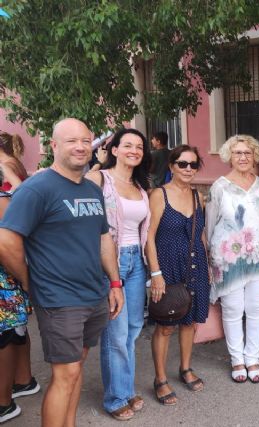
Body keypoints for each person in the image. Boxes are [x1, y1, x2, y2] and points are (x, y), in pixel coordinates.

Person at [0, 118, 124, 427]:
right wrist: (31, 281)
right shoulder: (37, 189)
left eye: (85, 140)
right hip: (59, 299)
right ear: (53, 146)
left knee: (77, 367)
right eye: (71, 141)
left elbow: (103, 238)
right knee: (65, 373)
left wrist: (115, 282)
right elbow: (5, 241)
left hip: (93, 293)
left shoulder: (91, 190)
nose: (80, 146)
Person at [84, 128, 151, 420]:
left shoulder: (140, 186)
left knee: (133, 328)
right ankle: (115, 397)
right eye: (127, 145)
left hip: (136, 261)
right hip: (111, 260)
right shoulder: (99, 178)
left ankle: (125, 387)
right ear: (114, 149)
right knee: (116, 332)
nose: (134, 150)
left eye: (139, 146)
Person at [147, 145, 210, 405]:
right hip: (169, 266)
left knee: (190, 321)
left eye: (193, 165)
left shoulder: (198, 196)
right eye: (182, 164)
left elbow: (201, 234)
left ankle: (185, 368)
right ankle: (160, 379)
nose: (187, 169)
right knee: (166, 325)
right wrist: (156, 274)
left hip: (196, 265)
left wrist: (208, 265)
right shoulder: (159, 194)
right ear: (172, 166)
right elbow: (148, 237)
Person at [206, 135, 259, 384]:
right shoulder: (219, 186)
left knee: (257, 307)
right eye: (237, 153)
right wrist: (211, 260)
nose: (243, 157)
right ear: (229, 157)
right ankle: (237, 360)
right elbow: (210, 225)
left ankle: (253, 358)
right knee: (233, 309)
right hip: (228, 258)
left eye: (247, 153)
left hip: (258, 256)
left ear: (254, 155)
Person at [0, 188, 39, 424]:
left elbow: (8, 247)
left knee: (8, 334)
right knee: (14, 330)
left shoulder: (2, 201)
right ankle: (23, 380)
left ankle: (3, 403)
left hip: (6, 280)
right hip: (9, 280)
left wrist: (25, 280)